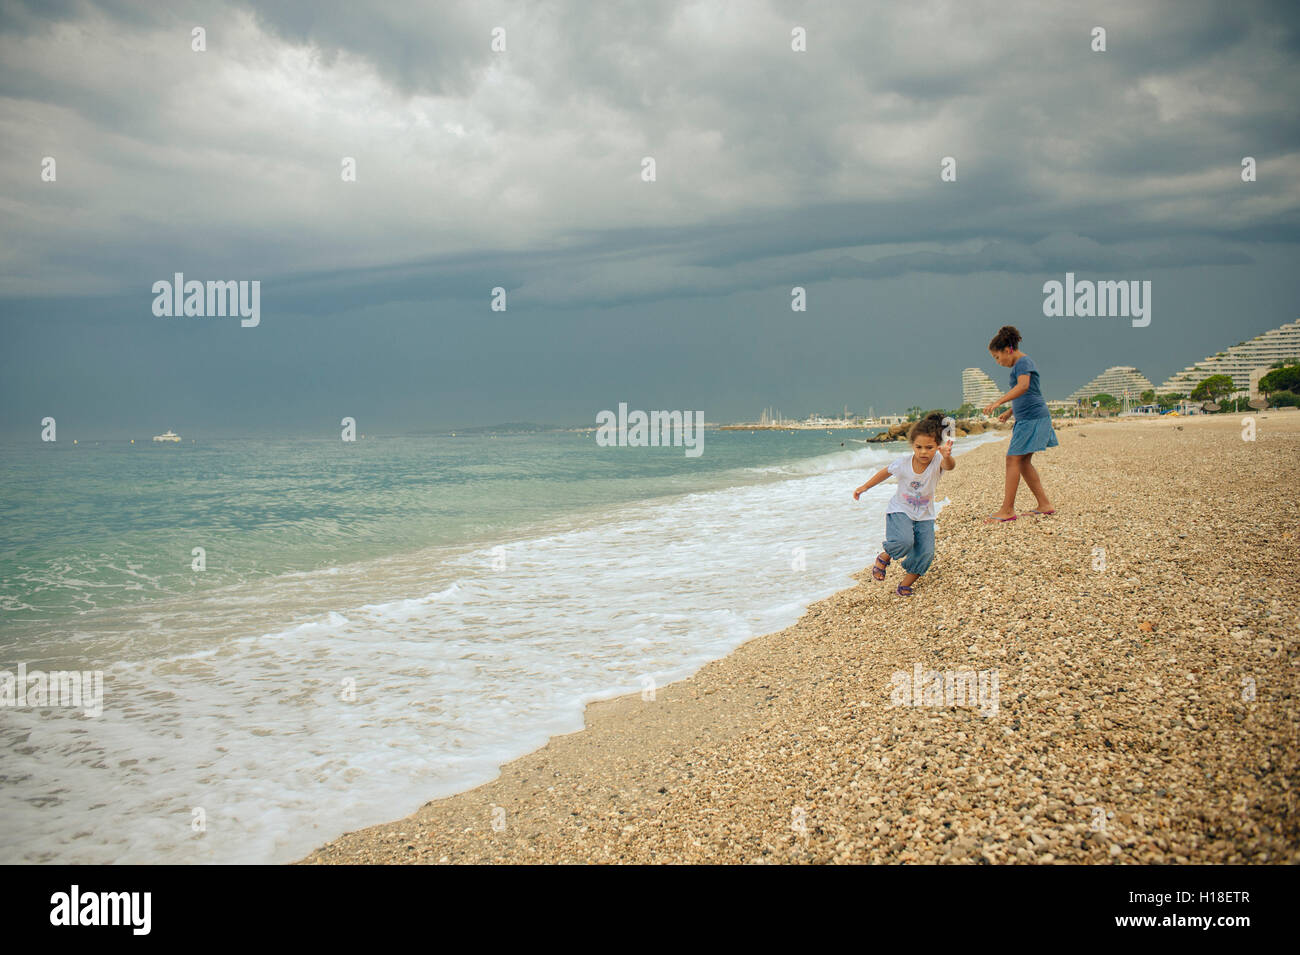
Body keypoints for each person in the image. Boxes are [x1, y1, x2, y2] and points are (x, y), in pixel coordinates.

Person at [852, 413, 955, 597]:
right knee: (904, 542)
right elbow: (885, 472)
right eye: (919, 447)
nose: (924, 452)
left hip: (925, 515)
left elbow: (950, 467)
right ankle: (884, 556)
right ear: (912, 446)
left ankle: (905, 585)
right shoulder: (903, 463)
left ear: (937, 447)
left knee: (926, 553)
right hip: (900, 509)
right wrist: (865, 487)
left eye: (929, 447)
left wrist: (946, 456)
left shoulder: (938, 461)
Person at [982, 325, 1057, 522]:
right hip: (1028, 418)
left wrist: (999, 402)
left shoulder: (1023, 362)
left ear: (1008, 350)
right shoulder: (1020, 365)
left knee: (1012, 459)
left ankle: (1007, 510)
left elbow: (1023, 387)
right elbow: (1027, 392)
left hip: (1033, 418)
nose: (998, 362)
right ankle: (1044, 504)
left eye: (997, 357)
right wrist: (1009, 412)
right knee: (1022, 462)